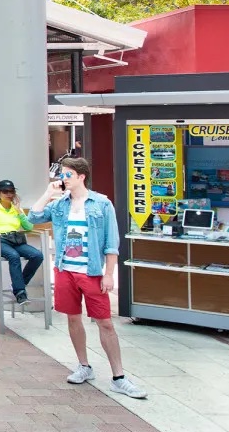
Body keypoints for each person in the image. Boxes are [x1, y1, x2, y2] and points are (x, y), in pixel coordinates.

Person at [27, 157, 146, 399]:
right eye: (62, 175)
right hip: (65, 270)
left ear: (81, 176)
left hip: (91, 272)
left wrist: (109, 274)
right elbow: (33, 217)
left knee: (105, 322)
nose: (63, 179)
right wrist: (48, 192)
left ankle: (119, 377)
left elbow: (112, 243)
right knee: (73, 319)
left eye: (68, 174)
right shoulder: (60, 205)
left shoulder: (101, 204)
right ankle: (84, 366)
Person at [0, 179, 44, 305]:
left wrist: (20, 212)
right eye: (5, 192)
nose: (9, 194)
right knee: (13, 256)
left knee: (37, 255)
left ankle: (19, 282)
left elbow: (29, 227)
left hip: (16, 240)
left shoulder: (16, 208)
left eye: (11, 191)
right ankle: (20, 293)